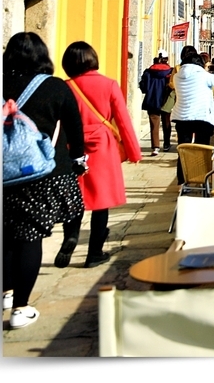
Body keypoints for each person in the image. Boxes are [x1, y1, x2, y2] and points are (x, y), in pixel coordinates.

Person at [2, 32, 86, 330]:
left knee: (3, 234)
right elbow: (75, 130)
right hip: (39, 174)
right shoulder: (55, 87)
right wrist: (78, 160)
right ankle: (21, 308)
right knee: (28, 237)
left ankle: (5, 292)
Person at [61, 42, 142, 268]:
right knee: (101, 202)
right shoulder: (108, 84)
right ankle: (94, 252)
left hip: (73, 146)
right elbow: (123, 120)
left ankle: (71, 236)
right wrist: (134, 152)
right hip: (102, 146)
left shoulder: (66, 86)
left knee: (75, 196)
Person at [171, 45, 214, 183]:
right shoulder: (203, 75)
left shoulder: (177, 76)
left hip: (182, 117)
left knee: (183, 151)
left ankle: (183, 181)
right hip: (201, 118)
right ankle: (202, 178)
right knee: (203, 149)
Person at [139, 51, 174, 157]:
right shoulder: (171, 72)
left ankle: (155, 147)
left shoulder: (148, 72)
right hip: (166, 100)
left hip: (152, 99)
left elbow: (143, 87)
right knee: (166, 123)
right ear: (166, 59)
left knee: (154, 124)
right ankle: (167, 144)